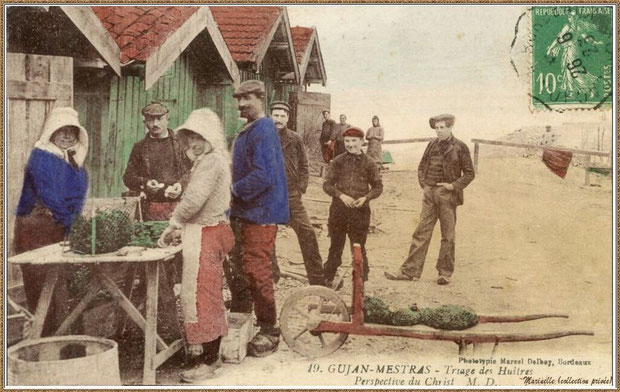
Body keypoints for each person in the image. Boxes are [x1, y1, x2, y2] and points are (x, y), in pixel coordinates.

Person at [157, 108, 234, 383]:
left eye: (199, 138)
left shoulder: (212, 162)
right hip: (205, 231)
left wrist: (174, 223)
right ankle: (207, 353)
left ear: (211, 137)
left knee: (205, 297)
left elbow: (194, 200)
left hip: (208, 234)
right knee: (202, 294)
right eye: (190, 139)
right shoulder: (208, 161)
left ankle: (210, 360)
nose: (194, 144)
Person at [226, 80, 289, 357]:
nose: (241, 104)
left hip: (260, 212)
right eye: (238, 98)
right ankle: (242, 318)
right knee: (240, 268)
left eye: (247, 98)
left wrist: (233, 190)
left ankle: (269, 330)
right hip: (244, 211)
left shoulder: (263, 129)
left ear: (261, 98)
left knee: (257, 269)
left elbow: (264, 175)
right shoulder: (247, 129)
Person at [14, 107, 89, 334]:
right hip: (36, 228)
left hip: (58, 225)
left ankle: (66, 338)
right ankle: (46, 339)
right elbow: (51, 198)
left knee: (63, 283)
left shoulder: (73, 160)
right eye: (61, 131)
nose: (67, 136)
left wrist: (75, 220)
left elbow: (77, 195)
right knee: (42, 284)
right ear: (51, 133)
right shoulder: (42, 157)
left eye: (71, 132)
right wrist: (74, 225)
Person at [385, 114, 475, 285]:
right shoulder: (432, 145)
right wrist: (424, 185)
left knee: (448, 235)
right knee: (421, 232)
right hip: (429, 194)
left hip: (447, 196)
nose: (439, 131)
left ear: (450, 128)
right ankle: (409, 271)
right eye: (437, 128)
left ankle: (444, 273)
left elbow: (470, 174)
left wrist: (453, 186)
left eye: (442, 127)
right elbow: (421, 166)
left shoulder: (460, 147)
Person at [269, 101, 325, 285]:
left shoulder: (295, 139)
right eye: (276, 115)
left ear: (288, 118)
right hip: (268, 199)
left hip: (291, 196)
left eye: (282, 116)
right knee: (266, 236)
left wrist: (301, 187)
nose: (279, 119)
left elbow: (304, 165)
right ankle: (272, 274)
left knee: (307, 232)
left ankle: (317, 280)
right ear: (270, 116)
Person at [323, 127, 383, 289]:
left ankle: (360, 281)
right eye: (347, 141)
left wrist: (365, 198)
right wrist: (341, 196)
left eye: (354, 141)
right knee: (336, 245)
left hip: (360, 211)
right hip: (338, 210)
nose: (350, 145)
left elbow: (378, 187)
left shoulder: (369, 162)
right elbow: (327, 185)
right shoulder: (338, 161)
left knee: (358, 247)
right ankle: (328, 279)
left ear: (362, 142)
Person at [123, 101, 192, 221]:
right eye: (150, 120)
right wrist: (145, 184)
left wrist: (181, 185)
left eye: (159, 119)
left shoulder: (181, 144)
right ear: (145, 122)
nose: (155, 124)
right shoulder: (139, 147)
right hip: (149, 209)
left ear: (167, 119)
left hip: (179, 207)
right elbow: (128, 177)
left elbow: (193, 172)